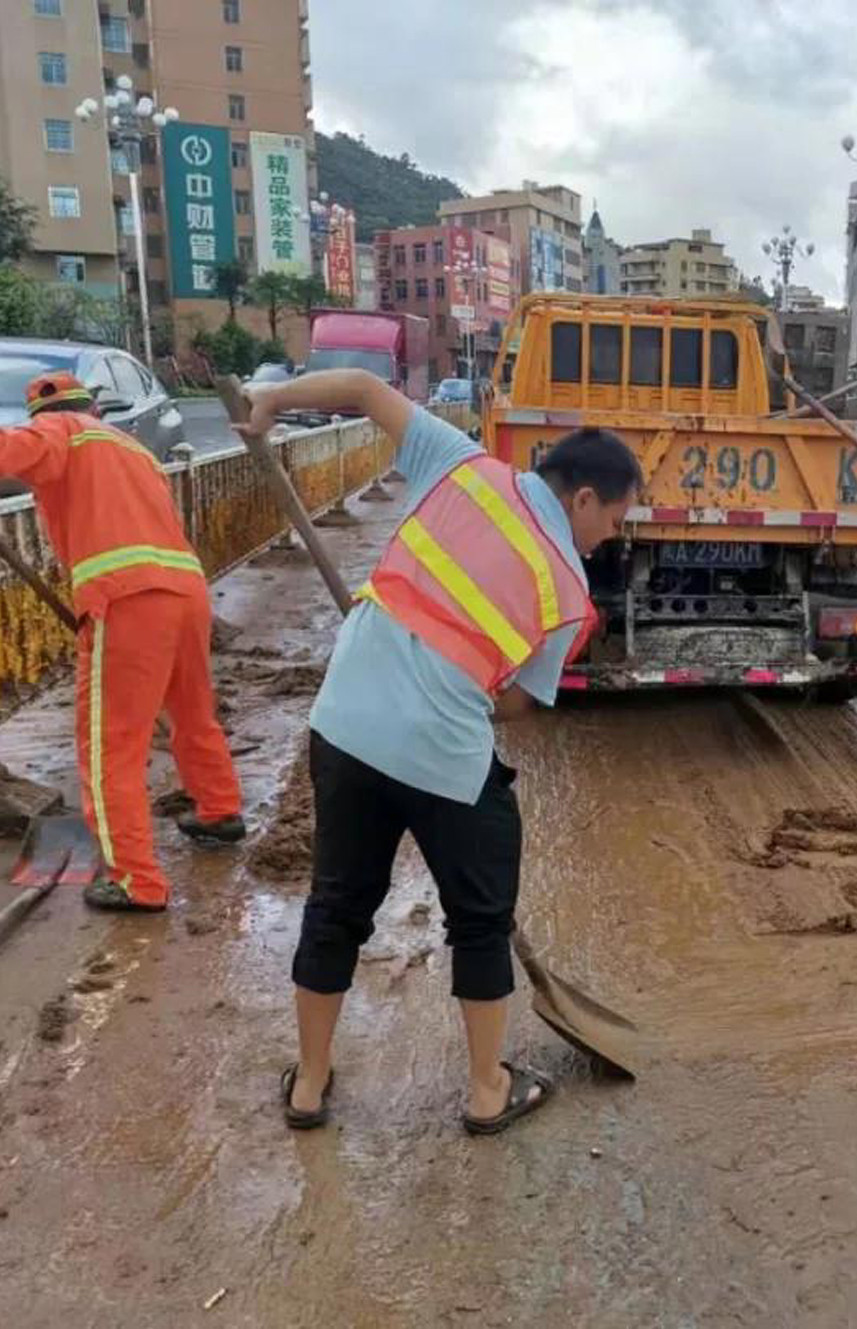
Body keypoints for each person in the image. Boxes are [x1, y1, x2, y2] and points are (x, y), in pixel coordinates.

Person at [235, 369, 642, 1136]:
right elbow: (518, 704)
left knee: (336, 907)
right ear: (584, 498)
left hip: (346, 724)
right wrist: (459, 679)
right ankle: (489, 1090)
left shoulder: (464, 465)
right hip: (444, 753)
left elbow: (359, 386)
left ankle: (311, 1085)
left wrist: (272, 404)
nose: (611, 536)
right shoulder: (569, 593)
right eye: (616, 519)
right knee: (480, 920)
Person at [0, 372, 244, 912]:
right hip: (185, 590)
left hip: (127, 598)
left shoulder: (63, 428)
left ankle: (136, 880)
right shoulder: (130, 448)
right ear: (97, 407)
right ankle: (220, 809)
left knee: (110, 742)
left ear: (50, 412)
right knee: (192, 711)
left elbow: (21, 444)